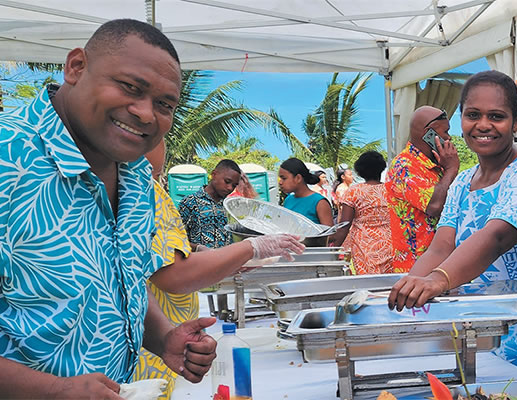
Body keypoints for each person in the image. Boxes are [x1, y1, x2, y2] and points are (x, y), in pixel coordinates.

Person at [0, 19, 217, 398]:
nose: (147, 114)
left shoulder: (135, 174)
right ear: (76, 67)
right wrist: (54, 391)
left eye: (165, 105)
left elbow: (120, 278)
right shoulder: (8, 159)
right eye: (131, 87)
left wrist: (164, 337)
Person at [388, 71, 517, 374]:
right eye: (473, 115)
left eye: (496, 116)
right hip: (485, 333)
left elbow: (496, 236)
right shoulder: (461, 183)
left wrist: (437, 281)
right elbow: (440, 248)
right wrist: (403, 298)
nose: (483, 125)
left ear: (516, 122)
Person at [134, 141, 304, 398]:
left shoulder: (150, 189)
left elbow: (169, 245)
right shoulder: (142, 192)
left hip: (165, 331)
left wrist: (213, 255)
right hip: (153, 340)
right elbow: (173, 273)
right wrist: (251, 248)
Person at [385, 106, 460, 273]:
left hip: (439, 264)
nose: (448, 138)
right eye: (445, 132)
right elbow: (434, 206)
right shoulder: (404, 166)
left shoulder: (435, 166)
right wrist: (452, 169)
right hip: (417, 268)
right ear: (429, 134)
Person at [330, 151, 392, 274]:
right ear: (381, 168)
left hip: (364, 247)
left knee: (368, 286)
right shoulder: (391, 190)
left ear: (360, 171)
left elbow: (344, 226)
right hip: (389, 244)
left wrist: (332, 251)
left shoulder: (353, 192)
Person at [178, 159, 241, 250]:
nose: (230, 188)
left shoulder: (229, 207)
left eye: (234, 185)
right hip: (199, 263)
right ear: (214, 175)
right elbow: (176, 240)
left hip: (226, 262)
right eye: (227, 181)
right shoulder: (190, 203)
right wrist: (197, 248)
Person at [278, 158, 334, 225]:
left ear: (298, 178)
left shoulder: (319, 202)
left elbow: (330, 234)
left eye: (284, 178)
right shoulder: (288, 200)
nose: (280, 182)